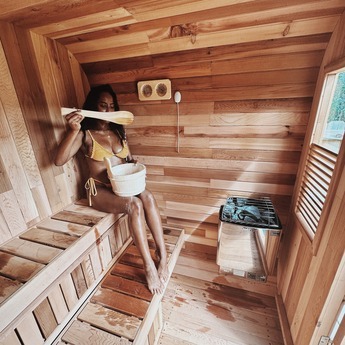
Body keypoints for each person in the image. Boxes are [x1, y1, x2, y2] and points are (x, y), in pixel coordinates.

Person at [54, 84, 168, 294]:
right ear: (93, 106)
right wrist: (73, 130)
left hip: (122, 185)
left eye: (111, 106)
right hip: (99, 191)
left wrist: (134, 163)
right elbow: (59, 160)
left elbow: (127, 159)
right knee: (134, 205)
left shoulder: (118, 131)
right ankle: (148, 266)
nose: (107, 110)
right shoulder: (86, 134)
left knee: (148, 197)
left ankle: (163, 254)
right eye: (102, 105)